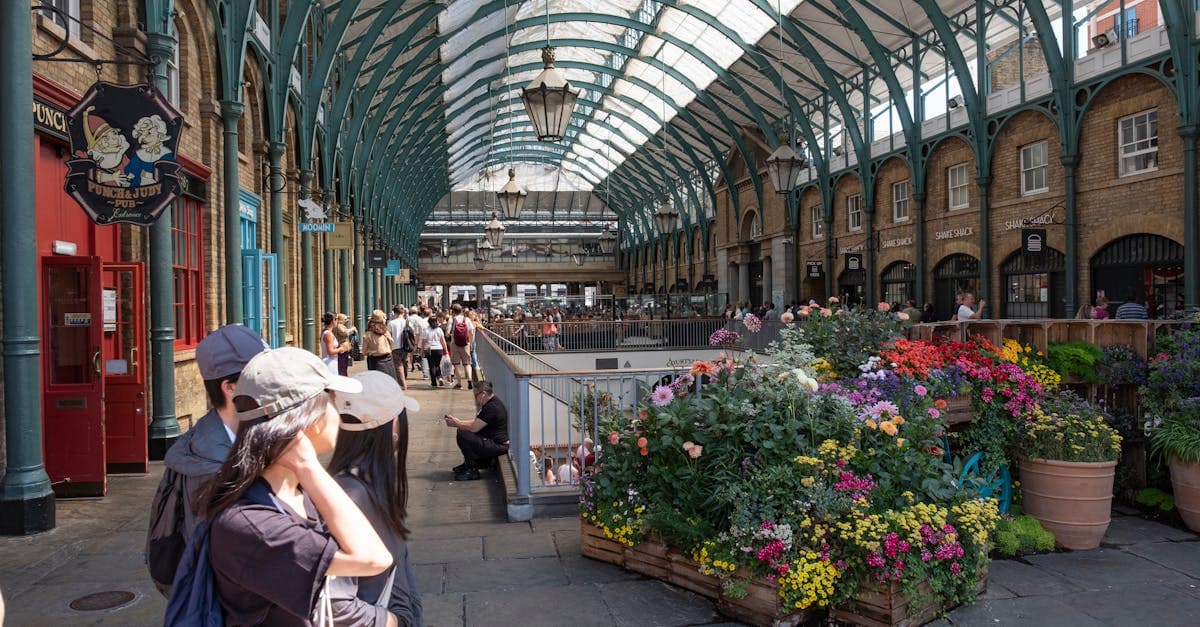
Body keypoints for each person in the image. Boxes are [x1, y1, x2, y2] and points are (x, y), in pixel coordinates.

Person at [199, 347, 393, 625]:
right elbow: (373, 558)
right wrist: (309, 466)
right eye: (331, 400)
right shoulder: (250, 523)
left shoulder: (294, 491)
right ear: (309, 420)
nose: (339, 412)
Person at [147, 325, 268, 595]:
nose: (272, 382)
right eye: (261, 374)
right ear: (231, 387)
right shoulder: (211, 466)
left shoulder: (250, 436)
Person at [327, 371, 423, 627]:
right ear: (393, 425)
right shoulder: (351, 496)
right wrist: (393, 621)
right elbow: (338, 604)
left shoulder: (362, 483)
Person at [443, 380, 509, 481]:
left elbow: (474, 427)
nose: (476, 399)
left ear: (483, 394)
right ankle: (470, 464)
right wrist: (459, 422)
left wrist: (456, 424)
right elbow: (477, 423)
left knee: (463, 434)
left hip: (498, 445)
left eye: (475, 395)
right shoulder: (492, 403)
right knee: (463, 430)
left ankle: (472, 469)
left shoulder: (491, 407)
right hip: (494, 441)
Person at [363, 310, 398, 384]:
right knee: (389, 382)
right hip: (388, 359)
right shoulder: (386, 333)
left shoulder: (367, 335)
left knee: (377, 384)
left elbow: (364, 352)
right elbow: (391, 344)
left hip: (374, 361)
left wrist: (372, 350)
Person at [448, 303, 474, 390]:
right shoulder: (467, 320)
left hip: (455, 344)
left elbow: (447, 333)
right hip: (466, 344)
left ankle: (459, 383)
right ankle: (470, 380)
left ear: (453, 311)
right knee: (467, 364)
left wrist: (451, 333)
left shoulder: (452, 320)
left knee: (456, 364)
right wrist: (470, 343)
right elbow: (471, 332)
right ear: (461, 310)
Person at [387, 306, 412, 390]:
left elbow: (389, 335)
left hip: (395, 346)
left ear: (395, 313)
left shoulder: (391, 323)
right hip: (406, 346)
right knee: (405, 363)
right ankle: (404, 379)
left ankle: (402, 384)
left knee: (398, 366)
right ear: (403, 313)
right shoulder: (407, 322)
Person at [420, 314, 447, 387]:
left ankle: (434, 382)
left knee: (432, 366)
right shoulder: (439, 329)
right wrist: (446, 350)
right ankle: (440, 377)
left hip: (429, 349)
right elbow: (443, 341)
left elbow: (423, 342)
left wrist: (421, 351)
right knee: (437, 365)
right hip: (439, 349)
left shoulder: (426, 330)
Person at [408, 308, 429, 379]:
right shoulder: (420, 319)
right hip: (420, 337)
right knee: (421, 352)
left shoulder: (408, 318)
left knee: (411, 352)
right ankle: (420, 364)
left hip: (411, 336)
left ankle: (412, 365)